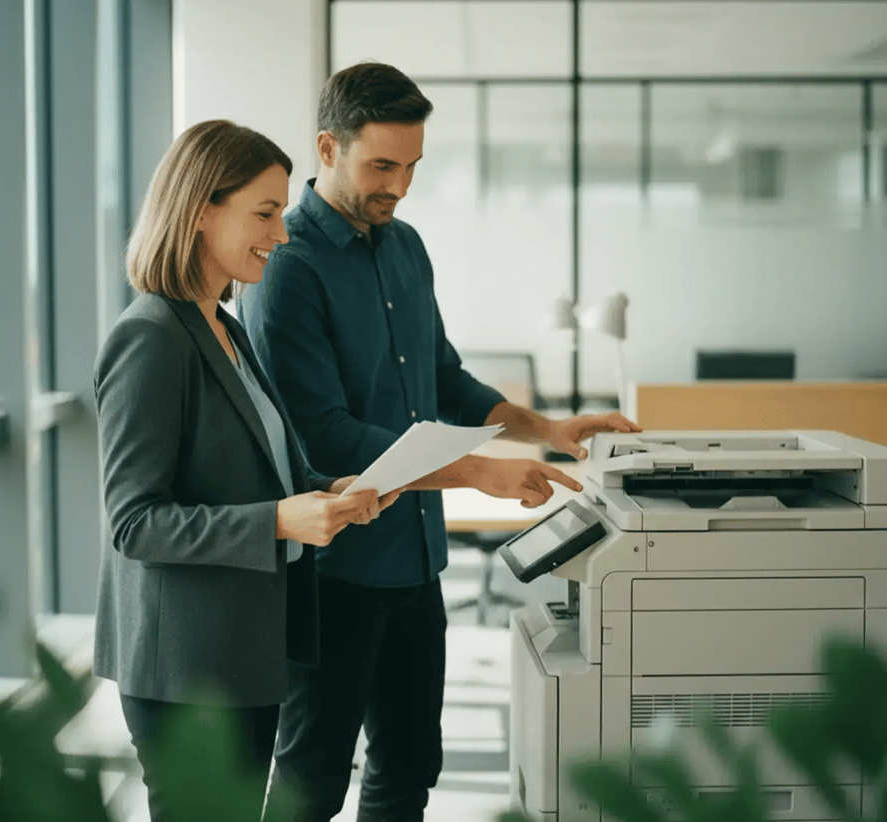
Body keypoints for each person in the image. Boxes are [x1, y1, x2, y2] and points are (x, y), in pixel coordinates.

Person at [241, 62, 643, 822]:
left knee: (408, 771)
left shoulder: (406, 247)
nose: (399, 186)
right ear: (328, 148)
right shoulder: (288, 265)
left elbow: (443, 377)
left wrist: (548, 431)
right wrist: (479, 472)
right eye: (381, 166)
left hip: (416, 560)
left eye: (412, 166)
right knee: (313, 784)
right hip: (334, 572)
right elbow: (322, 437)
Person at [92, 119, 398, 822]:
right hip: (185, 670)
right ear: (201, 209)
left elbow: (253, 469)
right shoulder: (150, 338)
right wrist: (281, 521)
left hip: (241, 653)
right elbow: (135, 523)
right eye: (265, 214)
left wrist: (326, 492)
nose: (281, 234)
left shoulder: (221, 326)